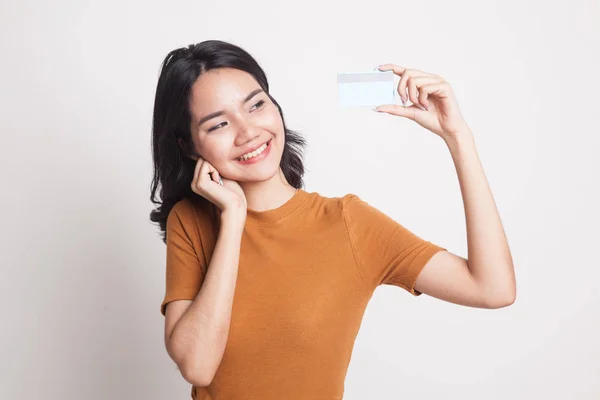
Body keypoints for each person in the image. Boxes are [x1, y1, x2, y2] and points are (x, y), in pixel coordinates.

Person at [149, 40, 516, 400]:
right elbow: (197, 366)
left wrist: (458, 137)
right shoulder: (193, 220)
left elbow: (493, 288)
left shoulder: (348, 224)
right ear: (189, 146)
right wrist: (233, 221)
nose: (248, 133)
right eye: (218, 125)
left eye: (256, 105)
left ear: (275, 106)